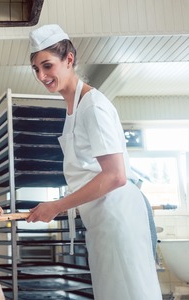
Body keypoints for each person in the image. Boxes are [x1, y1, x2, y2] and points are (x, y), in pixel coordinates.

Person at [25, 24, 162, 300]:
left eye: (47, 66)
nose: (41, 76)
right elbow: (91, 172)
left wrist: (58, 205)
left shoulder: (93, 106)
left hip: (118, 216)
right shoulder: (73, 108)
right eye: (36, 69)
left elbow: (115, 176)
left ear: (69, 59)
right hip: (102, 218)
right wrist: (64, 203)